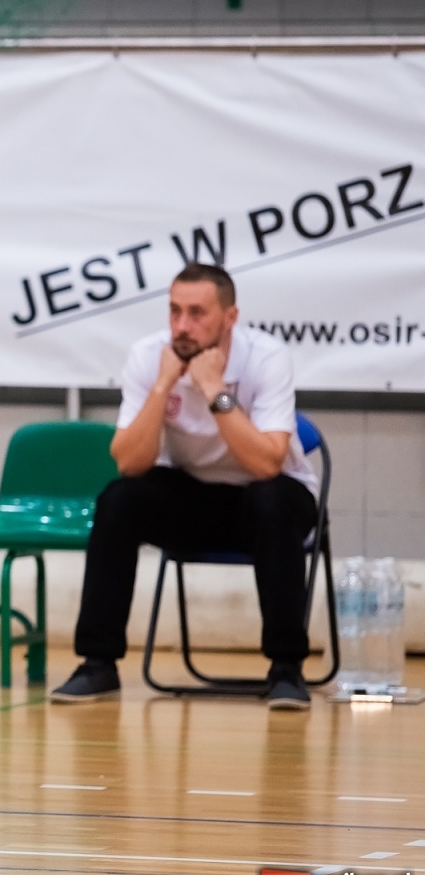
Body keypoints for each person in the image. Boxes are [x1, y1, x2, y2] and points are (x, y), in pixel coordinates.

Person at [50, 263, 319, 711]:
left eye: (197, 314)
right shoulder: (149, 355)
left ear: (229, 317)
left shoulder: (266, 356)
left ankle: (286, 668)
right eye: (175, 312)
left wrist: (214, 387)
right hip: (191, 497)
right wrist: (162, 386)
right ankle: (98, 663)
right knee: (118, 501)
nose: (182, 326)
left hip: (270, 496)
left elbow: (267, 463)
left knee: (270, 501)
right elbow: (129, 463)